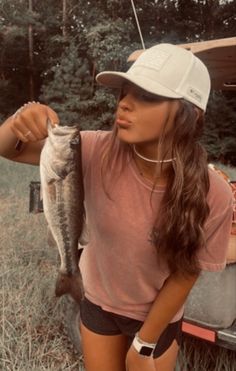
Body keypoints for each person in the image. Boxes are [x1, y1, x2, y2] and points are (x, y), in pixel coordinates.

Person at [0, 43, 233, 371]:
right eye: (124, 93)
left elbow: (186, 273)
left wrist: (144, 343)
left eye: (147, 96)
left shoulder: (215, 192)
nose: (124, 104)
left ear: (189, 114)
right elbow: (8, 148)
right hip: (98, 303)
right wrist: (21, 119)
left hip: (158, 319)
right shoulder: (94, 149)